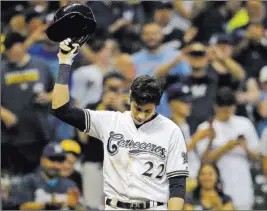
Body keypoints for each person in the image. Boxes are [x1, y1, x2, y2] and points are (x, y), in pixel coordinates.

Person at [52, 38, 189, 210]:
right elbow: (61, 110)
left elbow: (177, 182)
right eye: (137, 108)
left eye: (147, 111)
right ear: (130, 96)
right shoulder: (110, 120)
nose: (140, 115)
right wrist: (65, 63)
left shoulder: (170, 130)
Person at [196, 87, 260, 210]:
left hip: (243, 187)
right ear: (216, 107)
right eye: (224, 111)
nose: (227, 114)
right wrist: (225, 147)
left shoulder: (245, 124)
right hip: (217, 192)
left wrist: (246, 148)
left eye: (230, 110)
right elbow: (204, 161)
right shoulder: (206, 128)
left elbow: (257, 157)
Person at [1, 32, 54, 175]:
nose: (9, 55)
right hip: (10, 135)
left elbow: (58, 91)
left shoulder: (41, 66)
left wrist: (48, 97)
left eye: (11, 51)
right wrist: (3, 112)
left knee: (39, 174)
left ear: (21, 47)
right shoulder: (2, 69)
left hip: (38, 130)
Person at [6, 142, 80, 210]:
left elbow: (81, 207)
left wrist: (75, 205)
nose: (56, 165)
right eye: (52, 160)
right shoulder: (28, 181)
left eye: (60, 161)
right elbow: (19, 207)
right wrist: (49, 202)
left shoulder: (70, 185)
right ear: (43, 160)